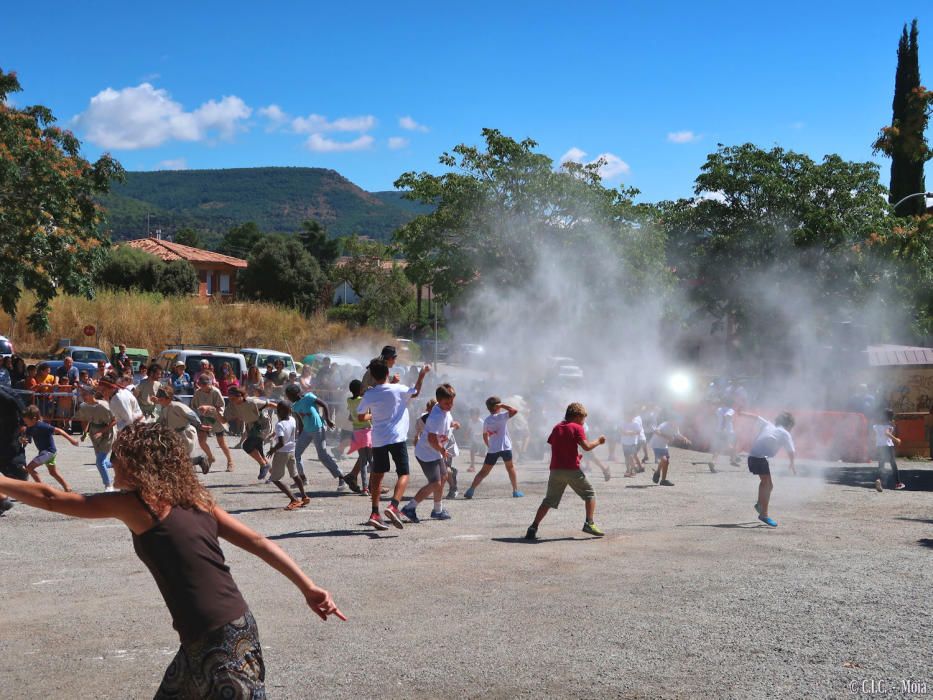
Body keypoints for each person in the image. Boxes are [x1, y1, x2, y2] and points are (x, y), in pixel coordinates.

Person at [0, 422, 345, 696]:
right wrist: (308, 586)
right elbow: (257, 541)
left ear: (139, 462)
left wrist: (2, 481)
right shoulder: (195, 500)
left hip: (220, 642)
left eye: (120, 456)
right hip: (224, 630)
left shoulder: (139, 505)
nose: (113, 461)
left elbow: (50, 497)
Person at [356, 361, 429, 530]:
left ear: (373, 376)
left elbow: (360, 417)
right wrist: (422, 374)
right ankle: (393, 505)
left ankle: (375, 512)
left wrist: (373, 414)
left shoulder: (370, 394)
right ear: (388, 372)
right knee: (403, 473)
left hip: (379, 438)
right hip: (397, 438)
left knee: (377, 475)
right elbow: (416, 392)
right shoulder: (399, 389)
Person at [524, 402, 606, 540]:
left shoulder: (557, 427)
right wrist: (598, 441)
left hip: (556, 469)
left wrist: (574, 455)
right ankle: (589, 523)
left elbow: (556, 445)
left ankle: (533, 527)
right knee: (590, 494)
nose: (583, 421)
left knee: (548, 501)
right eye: (583, 418)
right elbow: (586, 447)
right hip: (571, 469)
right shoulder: (577, 427)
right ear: (577, 416)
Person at [284, 385, 359, 493]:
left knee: (322, 455)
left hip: (318, 428)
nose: (288, 398)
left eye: (289, 396)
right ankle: (302, 479)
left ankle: (341, 477)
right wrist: (300, 434)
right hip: (306, 431)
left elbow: (324, 404)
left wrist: (327, 419)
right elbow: (300, 421)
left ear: (295, 394)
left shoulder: (308, 397)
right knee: (296, 454)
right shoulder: (295, 406)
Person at [402, 385, 457, 523]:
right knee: (435, 483)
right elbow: (432, 439)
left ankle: (437, 510)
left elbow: (446, 423)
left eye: (451, 402)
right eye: (447, 403)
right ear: (438, 401)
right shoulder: (436, 416)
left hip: (435, 452)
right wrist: (442, 450)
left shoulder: (444, 410)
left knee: (444, 477)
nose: (450, 405)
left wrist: (453, 424)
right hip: (427, 453)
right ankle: (409, 508)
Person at [464, 396, 523, 499]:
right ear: (497, 406)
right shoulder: (502, 416)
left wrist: (489, 445)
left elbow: (484, 435)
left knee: (483, 472)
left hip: (493, 449)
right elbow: (515, 411)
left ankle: (471, 490)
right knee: (510, 468)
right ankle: (515, 491)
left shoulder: (486, 420)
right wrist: (503, 405)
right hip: (505, 447)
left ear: (488, 408)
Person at [745, 412, 796, 528]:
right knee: (766, 484)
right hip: (758, 458)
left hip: (754, 457)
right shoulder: (785, 433)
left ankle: (759, 504)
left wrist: (741, 414)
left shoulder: (769, 424)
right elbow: (791, 451)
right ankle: (763, 514)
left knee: (769, 485)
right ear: (789, 425)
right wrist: (792, 463)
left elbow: (755, 417)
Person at [266, 400, 311, 510]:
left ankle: (293, 499)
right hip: (292, 450)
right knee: (295, 475)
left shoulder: (279, 424)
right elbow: (298, 428)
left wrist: (272, 450)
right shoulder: (292, 419)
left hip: (281, 453)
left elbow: (281, 442)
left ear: (279, 412)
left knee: (275, 478)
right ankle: (304, 496)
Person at [22, 404, 79, 491]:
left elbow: (59, 430)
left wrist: (71, 440)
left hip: (48, 452)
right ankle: (67, 488)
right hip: (46, 453)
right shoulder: (30, 427)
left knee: (29, 468)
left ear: (34, 418)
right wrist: (24, 440)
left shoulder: (42, 426)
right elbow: (26, 438)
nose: (25, 423)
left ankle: (43, 489)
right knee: (53, 472)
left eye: (26, 421)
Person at [153, 386, 207, 473]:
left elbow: (191, 414)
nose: (159, 401)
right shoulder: (164, 408)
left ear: (168, 398)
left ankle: (199, 460)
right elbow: (161, 421)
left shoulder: (177, 406)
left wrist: (199, 425)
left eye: (161, 399)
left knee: (180, 459)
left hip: (186, 434)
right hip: (175, 435)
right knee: (175, 458)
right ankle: (197, 461)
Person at [75, 384, 117, 491]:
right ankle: (118, 463)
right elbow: (85, 419)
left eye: (86, 394)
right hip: (95, 432)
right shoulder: (83, 406)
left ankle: (108, 485)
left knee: (99, 461)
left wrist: (102, 432)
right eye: (82, 394)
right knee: (103, 460)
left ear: (92, 394)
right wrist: (85, 432)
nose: (83, 396)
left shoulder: (104, 405)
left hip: (108, 432)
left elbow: (114, 420)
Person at [192, 374, 235, 472]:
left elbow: (220, 407)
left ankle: (230, 461)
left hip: (216, 419)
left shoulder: (216, 392)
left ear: (209, 383)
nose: (203, 387)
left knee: (221, 442)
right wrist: (199, 411)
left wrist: (209, 408)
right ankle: (210, 457)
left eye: (205, 384)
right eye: (201, 385)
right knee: (201, 441)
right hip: (204, 419)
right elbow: (194, 406)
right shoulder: (198, 393)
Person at [343, 379, 373, 495]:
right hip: (366, 431)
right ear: (361, 390)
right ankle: (372, 486)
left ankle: (365, 488)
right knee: (372, 460)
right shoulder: (363, 400)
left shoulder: (349, 401)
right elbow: (366, 412)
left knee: (363, 461)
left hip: (356, 432)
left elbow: (351, 417)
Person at [650, 416, 690, 486]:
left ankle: (661, 477)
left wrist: (684, 438)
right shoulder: (664, 425)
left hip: (664, 446)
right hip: (656, 444)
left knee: (666, 462)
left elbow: (677, 434)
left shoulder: (675, 426)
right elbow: (656, 431)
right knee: (665, 460)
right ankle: (660, 476)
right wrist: (667, 437)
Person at [873, 408, 905, 491]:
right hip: (887, 446)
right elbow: (886, 433)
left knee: (881, 465)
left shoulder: (876, 426)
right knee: (893, 464)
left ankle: (878, 479)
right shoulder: (889, 425)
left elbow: (874, 436)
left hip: (879, 446)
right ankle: (898, 484)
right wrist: (896, 440)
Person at [710, 400, 740, 472]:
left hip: (718, 431)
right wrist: (723, 428)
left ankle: (732, 459)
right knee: (730, 445)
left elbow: (715, 418)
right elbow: (726, 416)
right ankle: (733, 459)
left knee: (720, 447)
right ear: (731, 404)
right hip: (726, 432)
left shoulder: (719, 409)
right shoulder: (731, 410)